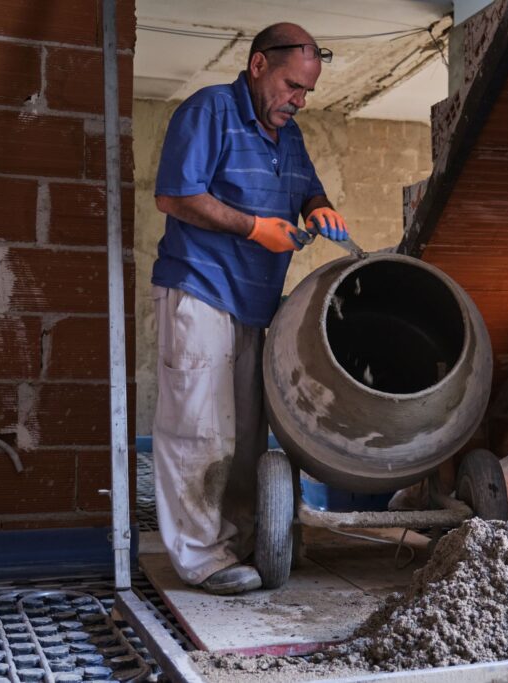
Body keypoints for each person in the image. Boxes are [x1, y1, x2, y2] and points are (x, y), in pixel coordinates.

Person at [150, 22, 349, 595]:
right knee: (199, 429)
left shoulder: (288, 134)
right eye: (292, 85)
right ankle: (200, 558)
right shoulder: (209, 110)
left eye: (307, 91)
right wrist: (254, 227)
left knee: (244, 434)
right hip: (200, 287)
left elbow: (307, 185)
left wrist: (321, 208)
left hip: (255, 303)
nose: (299, 100)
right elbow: (176, 195)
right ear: (259, 65)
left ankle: (237, 544)